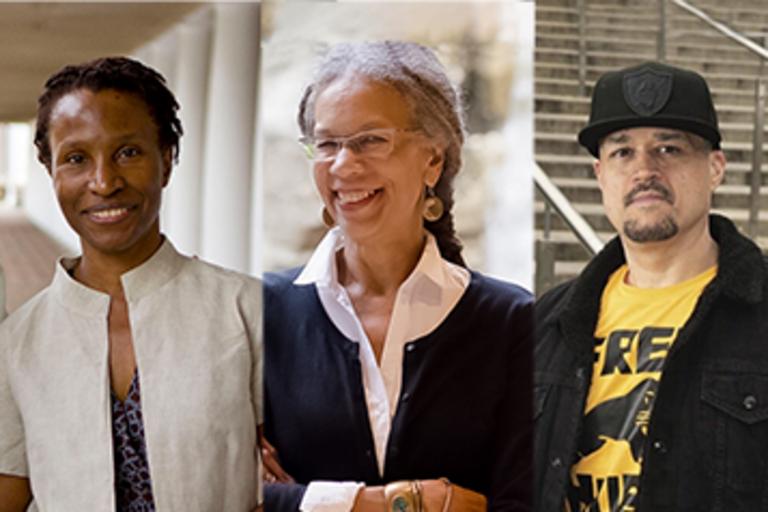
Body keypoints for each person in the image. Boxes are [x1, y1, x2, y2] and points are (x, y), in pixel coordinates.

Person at [262, 41, 534, 512]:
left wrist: (304, 500)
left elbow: (524, 501)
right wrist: (404, 502)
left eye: (371, 140)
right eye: (326, 144)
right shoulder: (260, 311)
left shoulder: (513, 322)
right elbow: (225, 491)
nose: (343, 165)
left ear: (433, 158)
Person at [0, 57, 262, 511]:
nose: (103, 182)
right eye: (76, 159)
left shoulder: (249, 311)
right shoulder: (17, 343)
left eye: (128, 152)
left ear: (166, 157)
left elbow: (294, 482)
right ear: (52, 173)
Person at [534, 61, 768, 511]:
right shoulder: (544, 327)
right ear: (600, 174)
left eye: (669, 149)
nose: (645, 170)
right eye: (623, 152)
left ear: (715, 168)